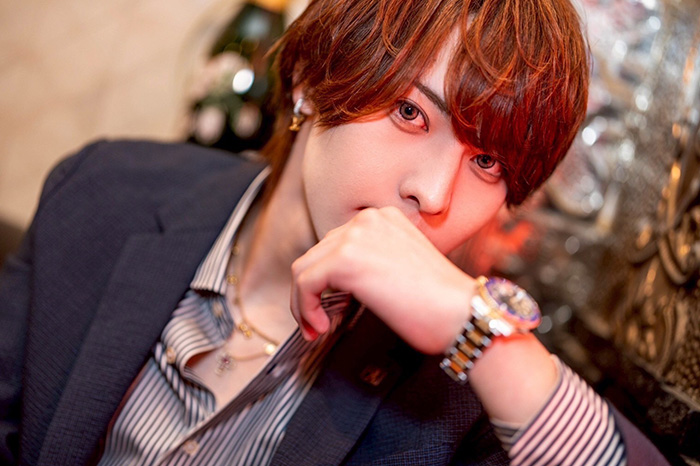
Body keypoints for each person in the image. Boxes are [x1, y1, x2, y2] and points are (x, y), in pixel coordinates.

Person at [0, 0, 671, 464]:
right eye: (410, 112)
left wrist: (482, 338)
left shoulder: (466, 405)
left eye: (487, 163)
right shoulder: (102, 193)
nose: (434, 194)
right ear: (310, 81)